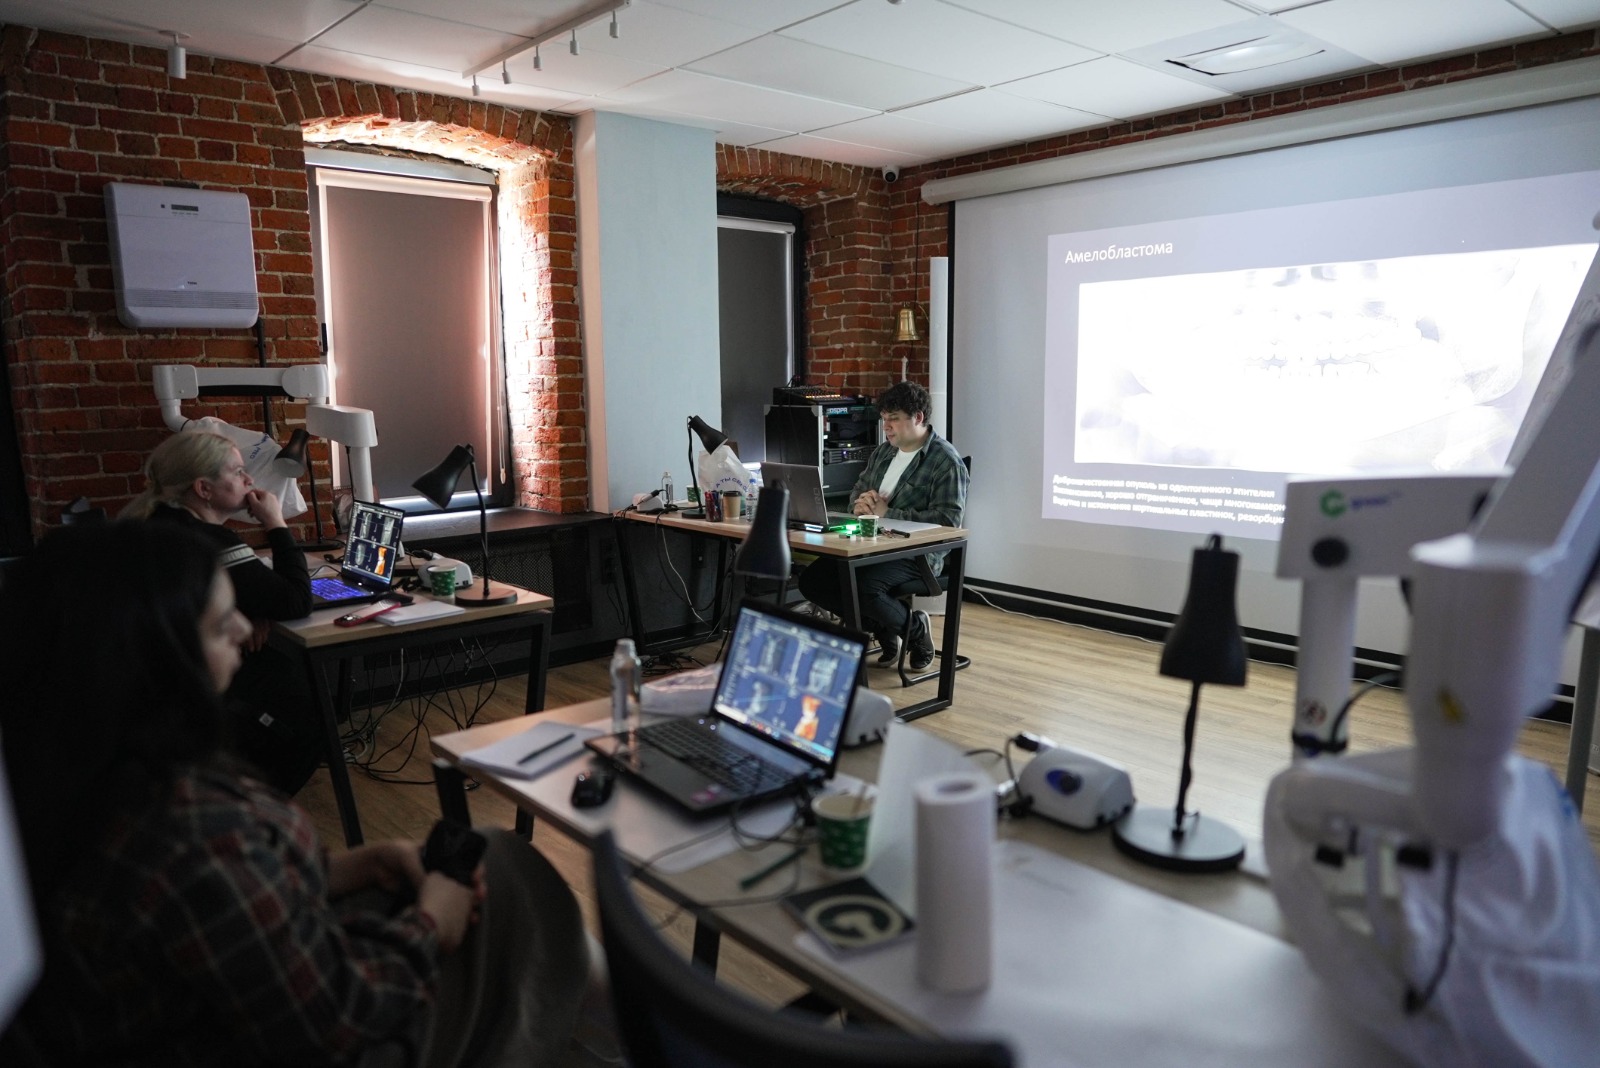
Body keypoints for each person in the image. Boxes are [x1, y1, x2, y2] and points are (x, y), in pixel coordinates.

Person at [0, 521, 595, 1066]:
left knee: (492, 860)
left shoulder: (74, 777)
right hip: (325, 1037)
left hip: (228, 1009)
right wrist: (431, 926)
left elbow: (232, 914)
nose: (244, 629)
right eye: (220, 623)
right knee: (515, 881)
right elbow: (338, 1018)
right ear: (154, 660)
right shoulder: (193, 836)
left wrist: (355, 864)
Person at [122, 430, 320, 794]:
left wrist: (241, 607)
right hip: (193, 681)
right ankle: (258, 803)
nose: (249, 480)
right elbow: (295, 601)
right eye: (237, 472)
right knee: (305, 700)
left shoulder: (156, 522)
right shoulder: (209, 540)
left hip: (151, 679)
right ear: (203, 489)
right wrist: (276, 524)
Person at [796, 381, 968, 670]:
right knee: (813, 581)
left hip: (917, 555)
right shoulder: (883, 453)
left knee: (864, 587)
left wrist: (889, 512)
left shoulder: (945, 461)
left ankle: (915, 632)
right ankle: (885, 627)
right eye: (884, 418)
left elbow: (948, 523)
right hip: (871, 545)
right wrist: (859, 505)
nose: (886, 426)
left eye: (894, 419)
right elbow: (857, 493)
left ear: (918, 417)